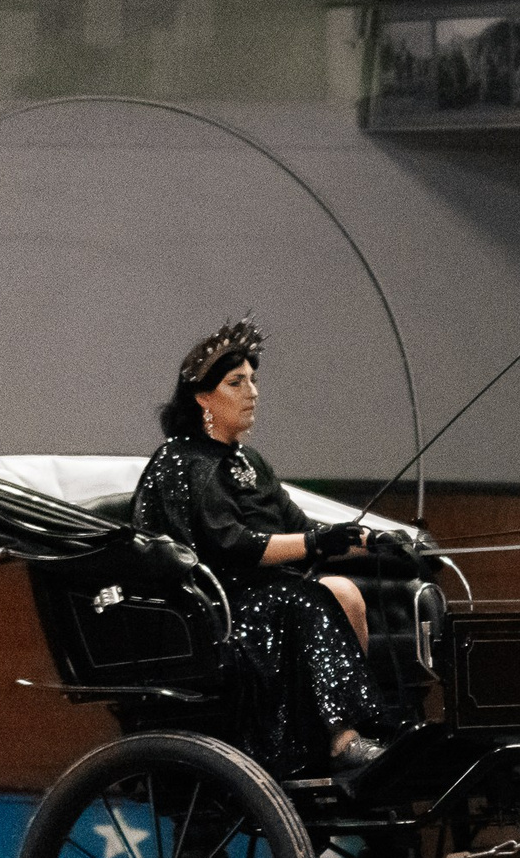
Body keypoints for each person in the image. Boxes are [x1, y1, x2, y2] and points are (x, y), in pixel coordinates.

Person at [132, 319, 397, 779]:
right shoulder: (181, 460)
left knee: (346, 592)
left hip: (269, 591)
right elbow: (230, 544)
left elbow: (300, 529)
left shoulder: (250, 462)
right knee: (306, 600)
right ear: (202, 397)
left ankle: (359, 730)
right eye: (236, 383)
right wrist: (315, 542)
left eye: (253, 380)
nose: (252, 392)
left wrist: (371, 543)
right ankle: (340, 739)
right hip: (219, 604)